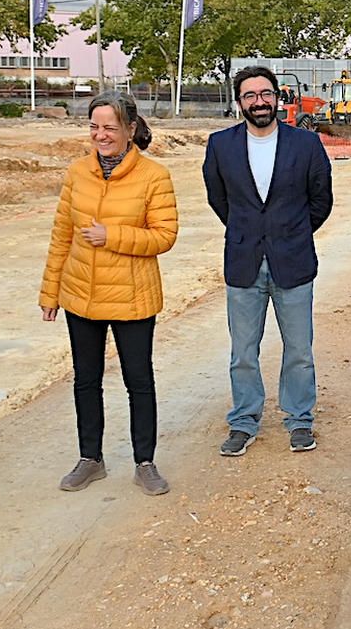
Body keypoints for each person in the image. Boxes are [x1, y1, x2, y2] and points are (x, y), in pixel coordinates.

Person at [40, 93, 179, 494]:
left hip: (133, 297)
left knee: (139, 380)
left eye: (109, 128)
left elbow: (165, 236)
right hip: (80, 295)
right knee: (86, 379)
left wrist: (111, 236)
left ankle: (145, 462)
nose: (100, 135)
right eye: (94, 127)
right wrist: (50, 292)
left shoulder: (154, 176)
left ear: (131, 130)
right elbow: (61, 236)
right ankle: (90, 459)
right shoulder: (77, 173)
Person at [205, 66, 334, 456]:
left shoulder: (306, 144)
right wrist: (249, 232)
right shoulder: (220, 145)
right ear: (239, 102)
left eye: (265, 94)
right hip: (244, 262)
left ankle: (299, 420)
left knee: (299, 349)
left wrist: (290, 232)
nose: (259, 101)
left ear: (278, 97)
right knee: (243, 351)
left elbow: (321, 200)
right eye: (250, 95)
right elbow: (219, 199)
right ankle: (244, 420)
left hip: (293, 261)